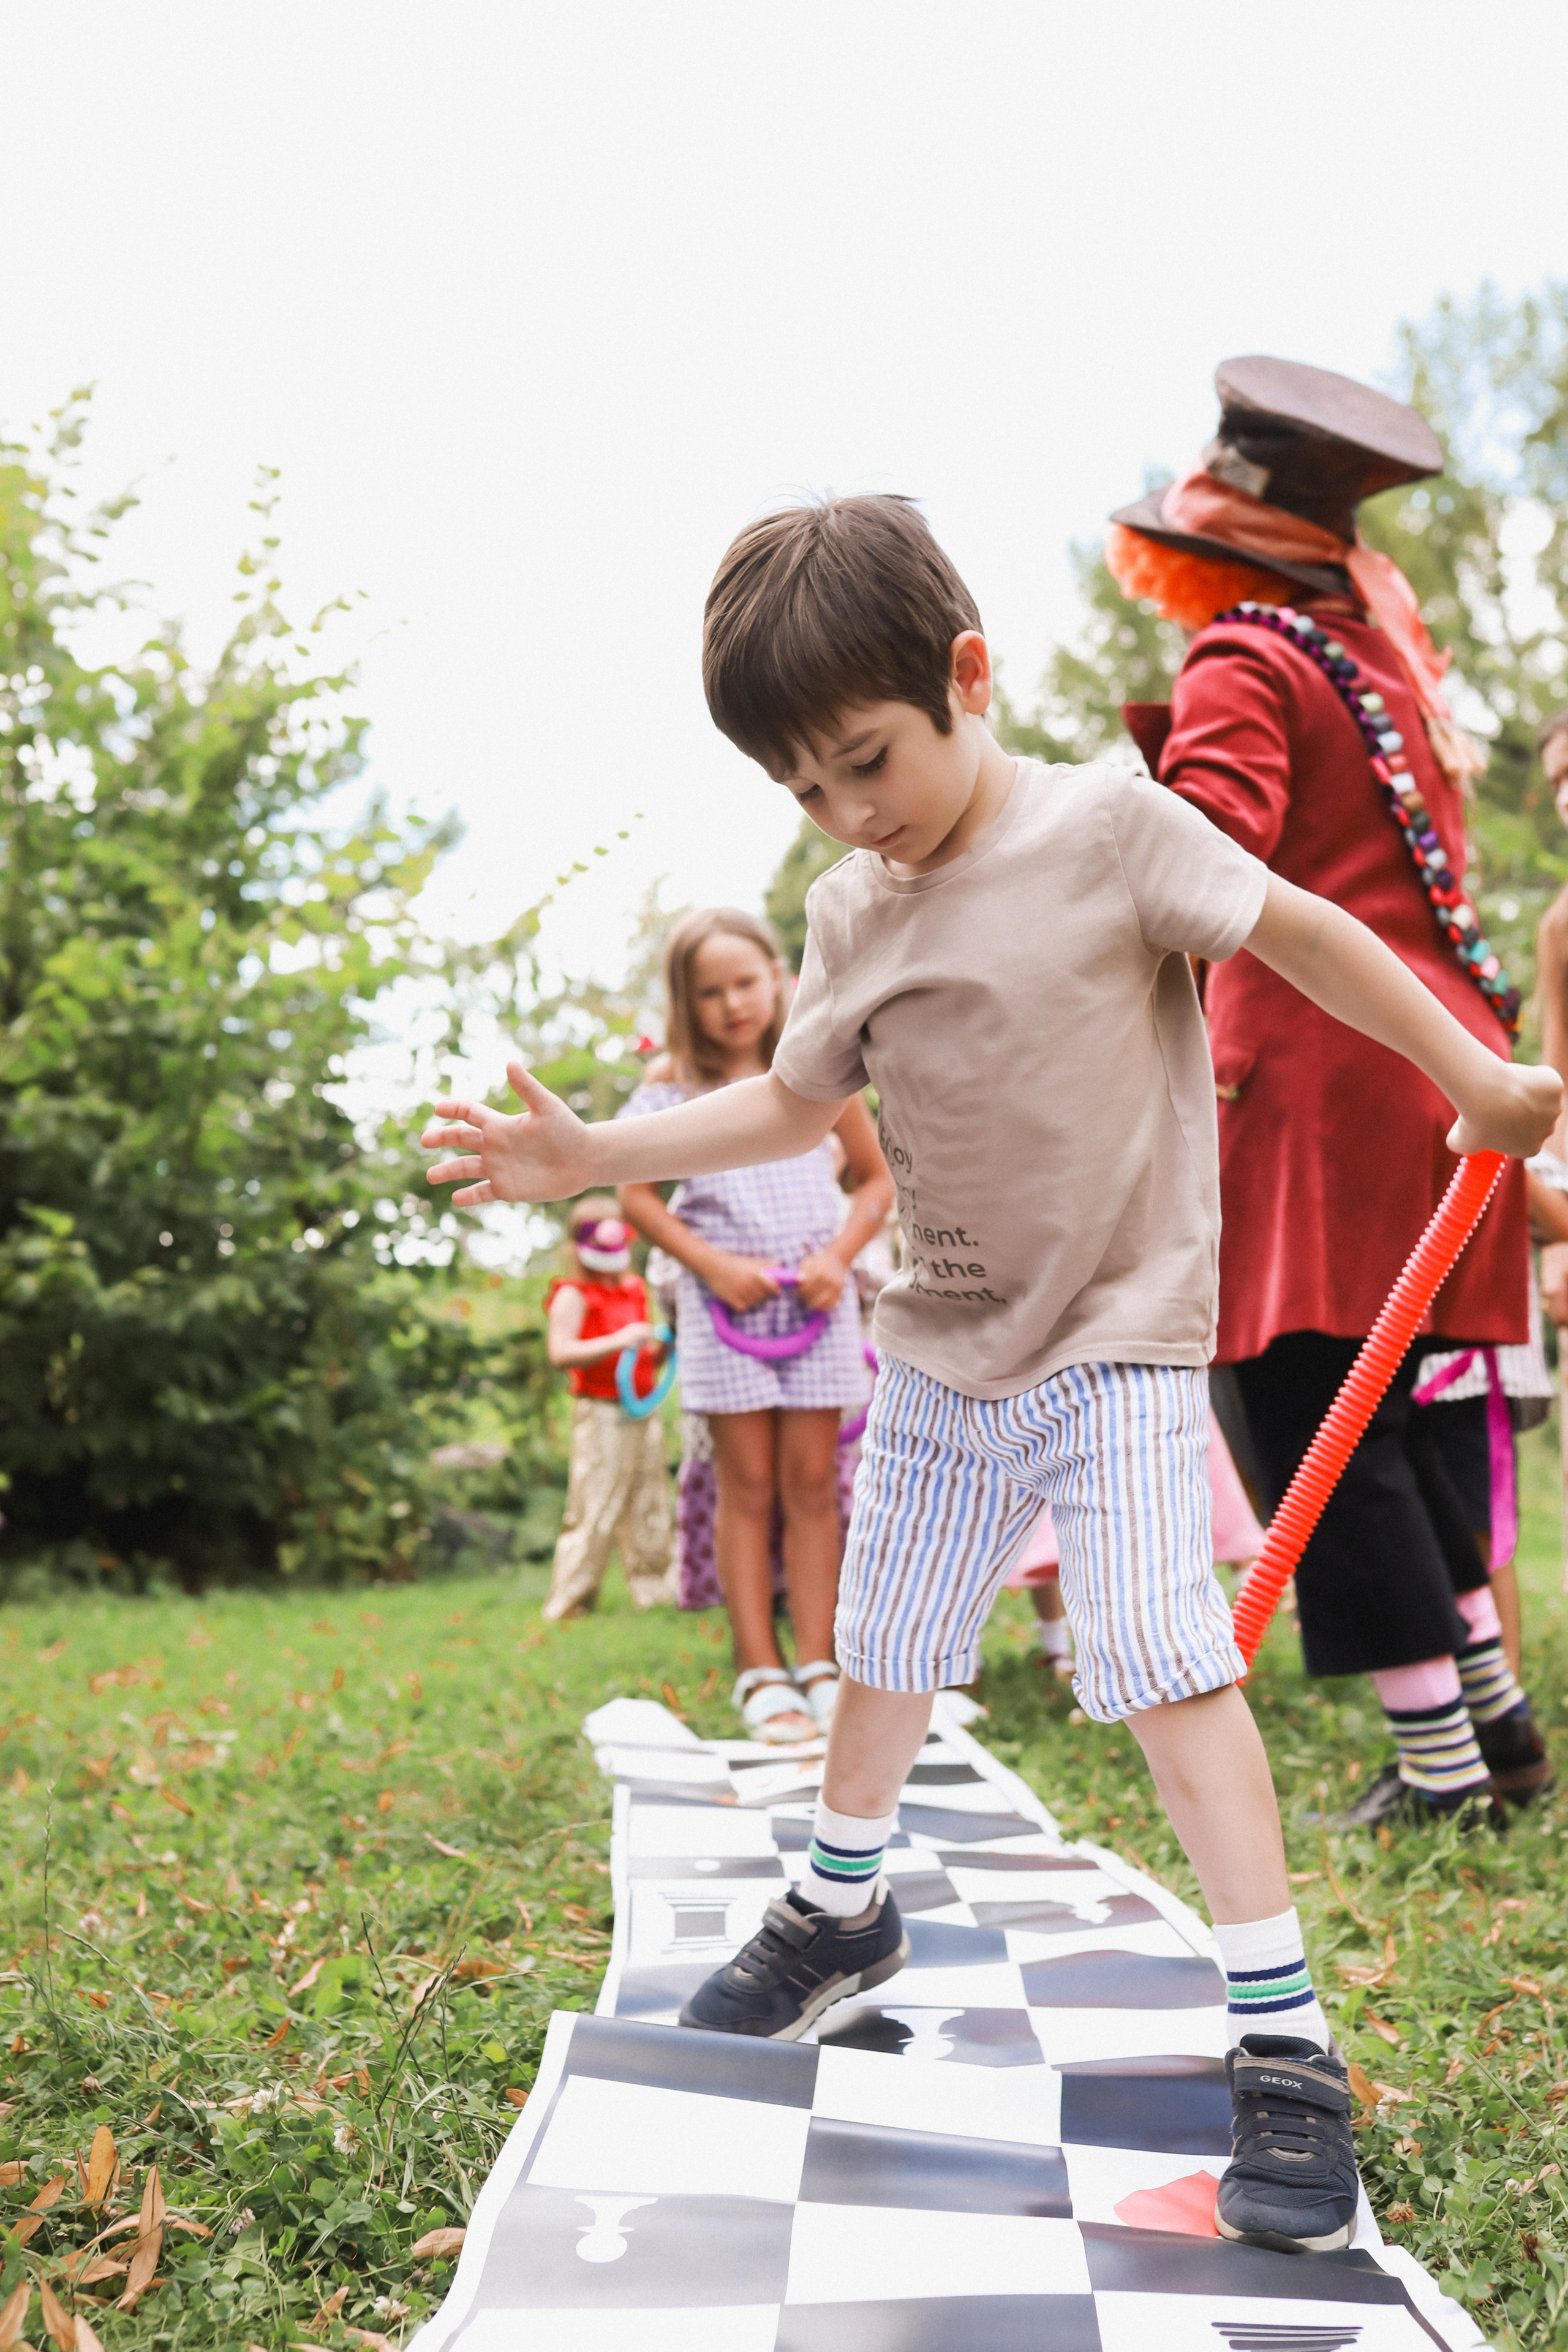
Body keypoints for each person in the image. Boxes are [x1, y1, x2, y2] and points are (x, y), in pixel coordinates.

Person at [420, 492, 1559, 2254]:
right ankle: (840, 1908)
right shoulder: (852, 905)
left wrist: (1470, 1074)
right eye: (804, 790)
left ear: (968, 676)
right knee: (882, 1642)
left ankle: (1281, 2036)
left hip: (1114, 1338)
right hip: (940, 1348)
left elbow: (1309, 938)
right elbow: (802, 1098)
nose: (848, 813)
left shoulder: (1117, 834)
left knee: (1165, 1660)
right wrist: (589, 1161)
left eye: (867, 762)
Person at [1106, 355, 1554, 1825]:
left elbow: (1205, 853)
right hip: (1425, 1072)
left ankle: (1436, 1770)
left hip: (1302, 1082)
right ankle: (1491, 1728)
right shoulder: (1374, 667)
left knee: (1313, 1408)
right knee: (1401, 1412)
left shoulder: (1240, 657)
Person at [617, 908, 893, 1741]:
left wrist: (839, 1259)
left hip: (814, 1306)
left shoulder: (818, 1072)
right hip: (723, 1311)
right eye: (711, 992)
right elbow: (634, 1196)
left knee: (814, 1488)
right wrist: (712, 1267)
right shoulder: (669, 1084)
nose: (733, 1004)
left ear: (778, 978)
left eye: (745, 982)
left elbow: (876, 1183)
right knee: (746, 1489)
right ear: (685, 1002)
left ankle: (819, 1661)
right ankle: (757, 1667)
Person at [540, 1199, 678, 1622]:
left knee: (650, 1499)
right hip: (600, 1412)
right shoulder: (573, 1295)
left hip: (642, 1409)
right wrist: (620, 1340)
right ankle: (571, 1601)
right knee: (594, 1504)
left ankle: (656, 1591)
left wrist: (664, 1347)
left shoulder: (635, 1288)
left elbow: (642, 1356)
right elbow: (561, 1353)